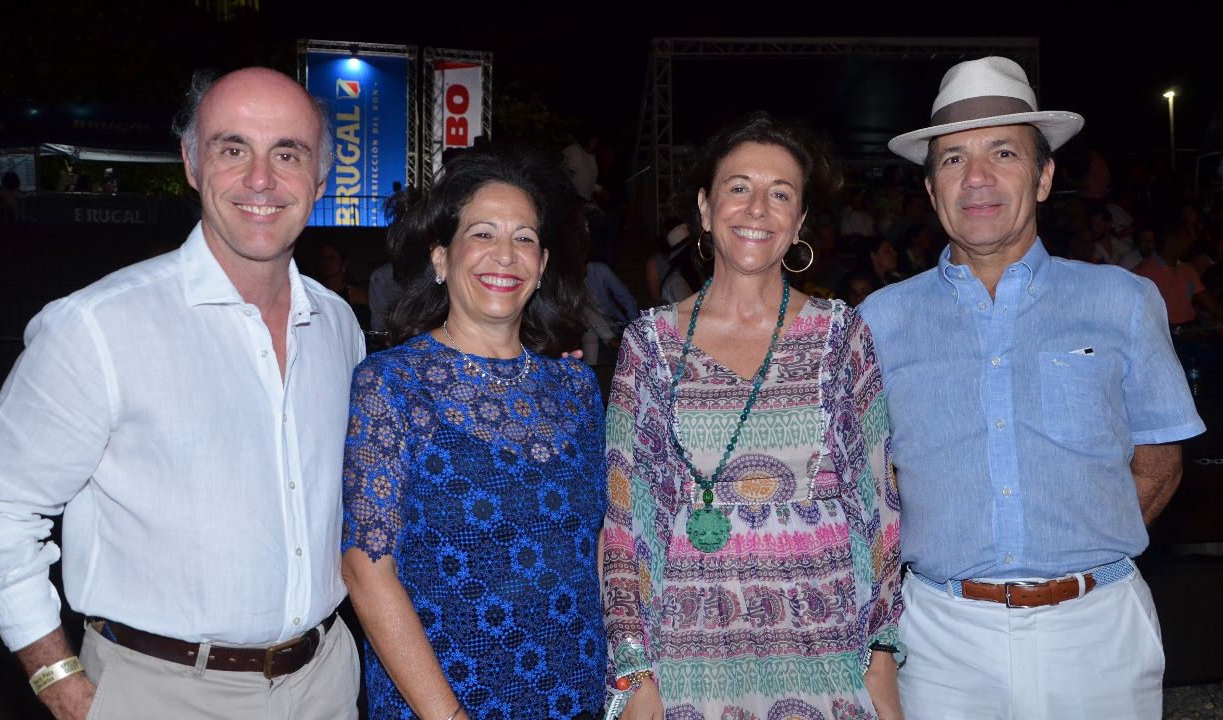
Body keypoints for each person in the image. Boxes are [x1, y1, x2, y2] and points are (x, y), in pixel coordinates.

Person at [0, 67, 366, 720]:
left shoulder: (339, 325)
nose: (262, 179)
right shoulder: (98, 325)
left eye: (288, 152)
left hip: (327, 682)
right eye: (233, 149)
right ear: (193, 164)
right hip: (160, 694)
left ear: (320, 175)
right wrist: (58, 679)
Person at [859, 56, 1205, 719]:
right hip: (938, 642)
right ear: (932, 192)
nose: (978, 177)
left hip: (1098, 632)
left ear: (1044, 177)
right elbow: (869, 485)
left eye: (1003, 152)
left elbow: (1159, 467)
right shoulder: (880, 320)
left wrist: (1073, 557)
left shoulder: (1123, 301)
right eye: (953, 160)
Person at [602, 111, 903, 720]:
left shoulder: (842, 336)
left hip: (827, 656)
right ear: (706, 211)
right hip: (687, 661)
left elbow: (880, 507)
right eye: (738, 187)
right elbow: (623, 518)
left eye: (780, 193)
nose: (757, 208)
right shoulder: (649, 345)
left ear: (799, 224)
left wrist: (881, 655)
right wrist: (634, 673)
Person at [340, 146, 607, 720]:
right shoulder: (392, 385)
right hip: (442, 700)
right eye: (483, 234)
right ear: (441, 257)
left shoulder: (577, 388)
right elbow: (367, 568)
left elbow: (603, 546)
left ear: (541, 266)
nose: (505, 255)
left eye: (525, 238)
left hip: (577, 694)